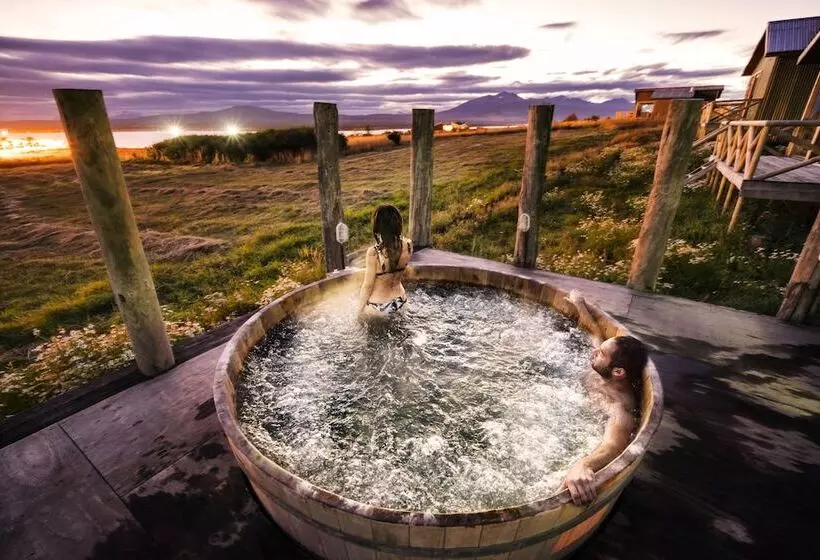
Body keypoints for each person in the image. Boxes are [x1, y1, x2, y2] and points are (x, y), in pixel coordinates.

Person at [561, 289, 648, 506]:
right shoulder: (605, 368)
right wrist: (579, 303)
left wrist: (584, 465)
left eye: (601, 353)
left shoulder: (620, 406)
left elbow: (613, 446)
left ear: (618, 372)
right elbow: (595, 333)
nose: (595, 351)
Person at [358, 205, 413, 316]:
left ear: (379, 227)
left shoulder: (373, 252)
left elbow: (367, 286)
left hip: (379, 307)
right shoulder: (408, 245)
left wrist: (359, 312)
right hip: (401, 300)